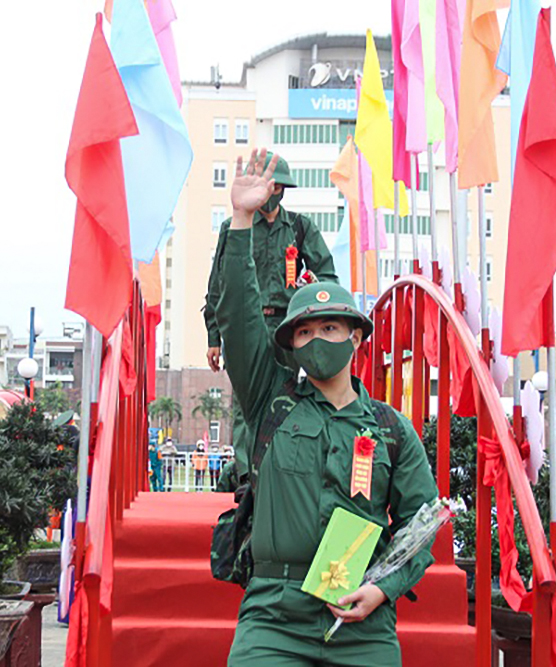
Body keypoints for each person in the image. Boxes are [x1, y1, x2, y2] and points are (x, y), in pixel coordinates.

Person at [217, 149, 438, 665]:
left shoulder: (390, 430)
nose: (317, 338)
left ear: (356, 337)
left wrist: (383, 588)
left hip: (361, 616)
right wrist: (241, 219)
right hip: (273, 615)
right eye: (305, 332)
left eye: (331, 327)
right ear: (291, 344)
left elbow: (420, 522)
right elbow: (239, 317)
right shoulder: (271, 402)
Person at [204, 151, 338, 483]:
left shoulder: (300, 228)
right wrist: (213, 337)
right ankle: (246, 477)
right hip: (245, 326)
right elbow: (219, 283)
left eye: (278, 186)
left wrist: (311, 287)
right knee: (244, 402)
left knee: (287, 397)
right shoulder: (234, 227)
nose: (272, 191)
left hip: (287, 327)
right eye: (269, 185)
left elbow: (328, 279)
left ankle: (276, 472)